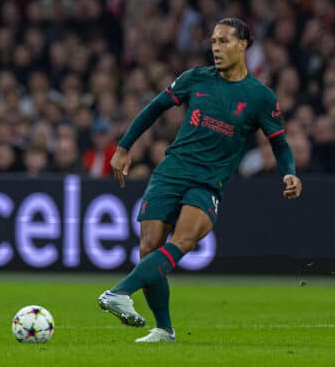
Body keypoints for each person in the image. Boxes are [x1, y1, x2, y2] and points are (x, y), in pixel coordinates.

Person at [98, 18, 303, 343]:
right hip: (171, 171)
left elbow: (279, 143)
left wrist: (288, 171)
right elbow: (155, 108)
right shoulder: (195, 78)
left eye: (223, 41)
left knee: (184, 241)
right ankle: (164, 329)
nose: (216, 48)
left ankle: (120, 292)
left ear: (243, 45)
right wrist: (124, 147)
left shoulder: (260, 97)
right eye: (213, 42)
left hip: (207, 182)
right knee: (149, 247)